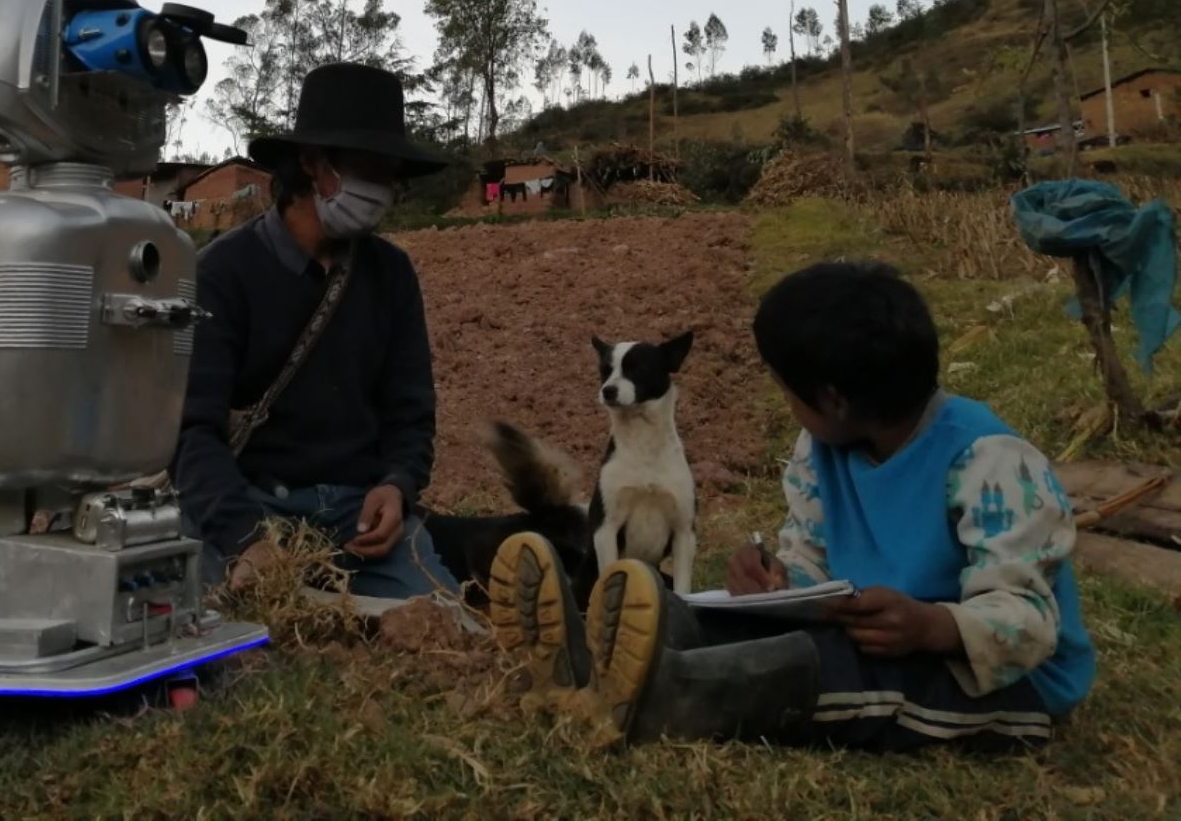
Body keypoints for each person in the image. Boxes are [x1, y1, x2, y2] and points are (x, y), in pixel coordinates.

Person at [490, 259, 1096, 750]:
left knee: (834, 672)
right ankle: (602, 645)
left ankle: (669, 696)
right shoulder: (820, 448)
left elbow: (1029, 621)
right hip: (870, 634)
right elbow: (810, 561)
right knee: (729, 621)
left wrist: (936, 626)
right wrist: (778, 583)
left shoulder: (992, 461)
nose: (787, 408)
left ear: (831, 399)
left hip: (1000, 681)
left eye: (786, 392)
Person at [171, 62, 458, 599]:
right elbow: (191, 433)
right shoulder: (221, 273)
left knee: (438, 622)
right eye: (367, 169)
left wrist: (397, 486)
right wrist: (246, 538)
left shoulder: (390, 274)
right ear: (310, 164)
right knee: (208, 635)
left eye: (388, 174)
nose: (381, 190)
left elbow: (410, 412)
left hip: (358, 516)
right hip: (250, 503)